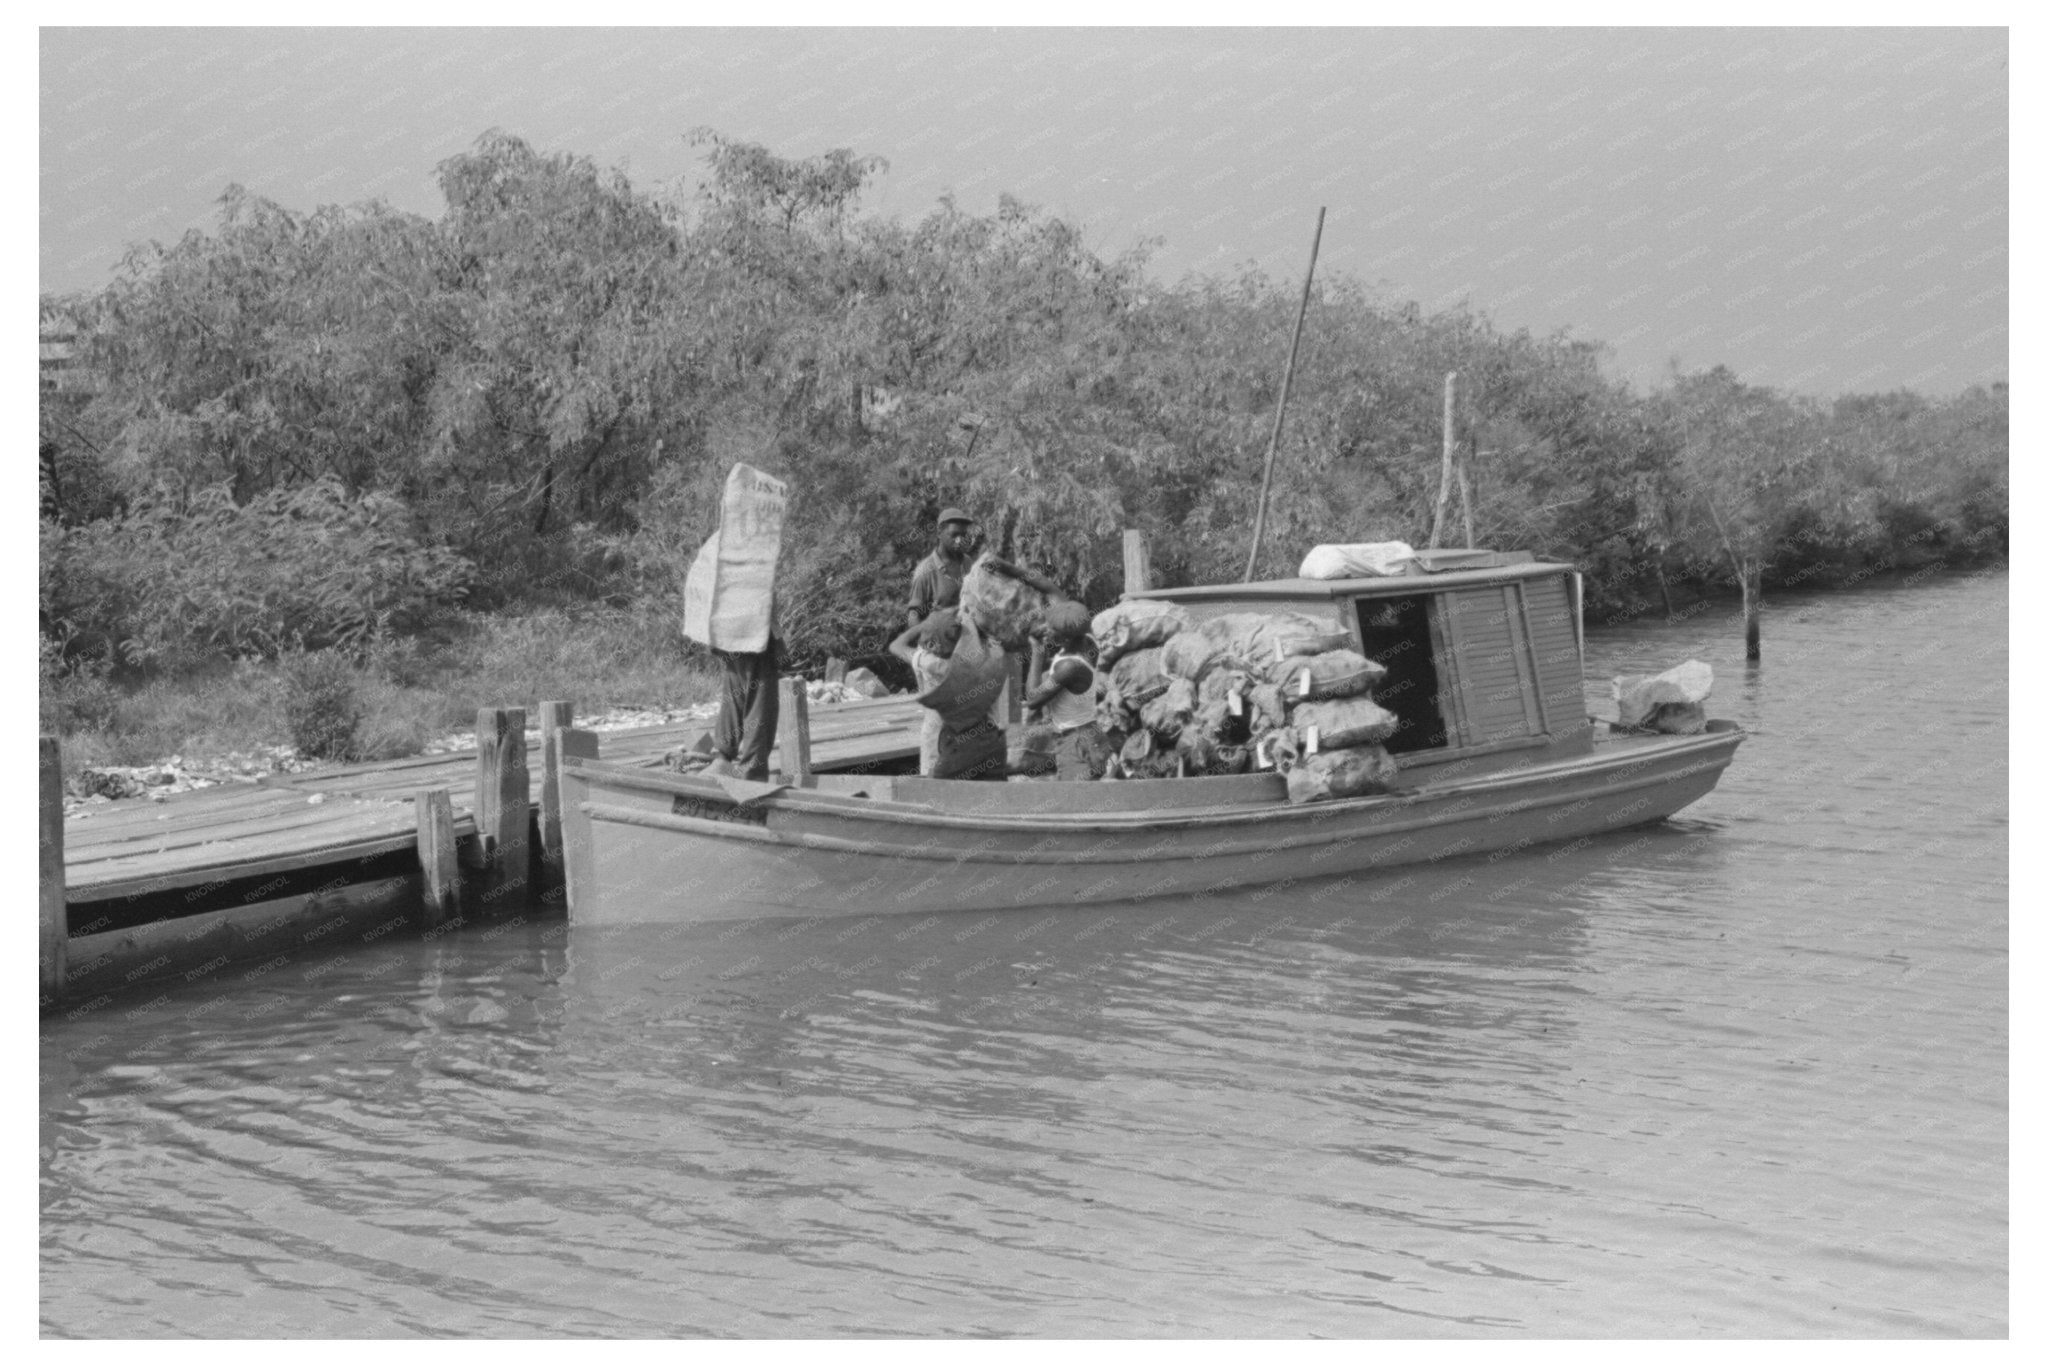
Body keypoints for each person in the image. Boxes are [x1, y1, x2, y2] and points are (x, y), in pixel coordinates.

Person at [888, 607, 1007, 782]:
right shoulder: (982, 657)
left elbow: (896, 645)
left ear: (932, 645)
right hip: (989, 737)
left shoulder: (932, 664)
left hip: (946, 739)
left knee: (936, 788)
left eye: (926, 641)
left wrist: (926, 623)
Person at [1024, 600, 1110, 780]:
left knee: (1074, 801)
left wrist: (1037, 652)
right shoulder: (1087, 641)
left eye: (1051, 628)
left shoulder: (1070, 667)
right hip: (1088, 734)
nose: (1046, 629)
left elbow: (1032, 700)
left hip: (1076, 743)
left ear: (1065, 637)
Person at [705, 596, 781, 782]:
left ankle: (723, 758)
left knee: (735, 694)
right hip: (755, 632)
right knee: (759, 706)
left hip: (729, 629)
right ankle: (752, 774)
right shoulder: (755, 567)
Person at [906, 508, 977, 630]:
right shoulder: (925, 571)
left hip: (967, 638)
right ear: (939, 533)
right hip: (938, 642)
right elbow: (913, 615)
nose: (959, 540)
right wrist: (922, 646)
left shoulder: (967, 563)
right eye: (954, 535)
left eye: (963, 535)